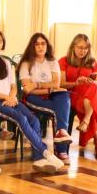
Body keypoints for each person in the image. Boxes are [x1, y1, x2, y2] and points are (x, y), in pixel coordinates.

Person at [0, 31, 63, 173]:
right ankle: (46, 153)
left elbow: (14, 87)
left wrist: (10, 97)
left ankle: (38, 159)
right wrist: (5, 97)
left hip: (10, 100)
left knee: (33, 120)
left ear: (3, 45)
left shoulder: (6, 63)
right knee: (21, 118)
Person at [18, 33, 74, 162]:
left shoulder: (52, 61)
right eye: (37, 44)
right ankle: (61, 150)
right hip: (33, 98)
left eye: (43, 43)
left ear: (47, 46)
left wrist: (37, 84)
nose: (40, 47)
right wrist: (49, 88)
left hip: (52, 96)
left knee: (64, 95)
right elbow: (27, 90)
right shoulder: (26, 63)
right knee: (59, 110)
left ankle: (61, 132)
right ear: (32, 46)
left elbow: (56, 83)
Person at [59, 34, 97, 158]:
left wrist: (93, 82)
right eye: (80, 47)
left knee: (95, 89)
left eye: (86, 48)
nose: (83, 51)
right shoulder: (64, 61)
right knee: (93, 101)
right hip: (72, 94)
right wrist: (76, 83)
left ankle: (85, 121)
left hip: (90, 95)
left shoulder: (92, 62)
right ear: (73, 47)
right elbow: (61, 83)